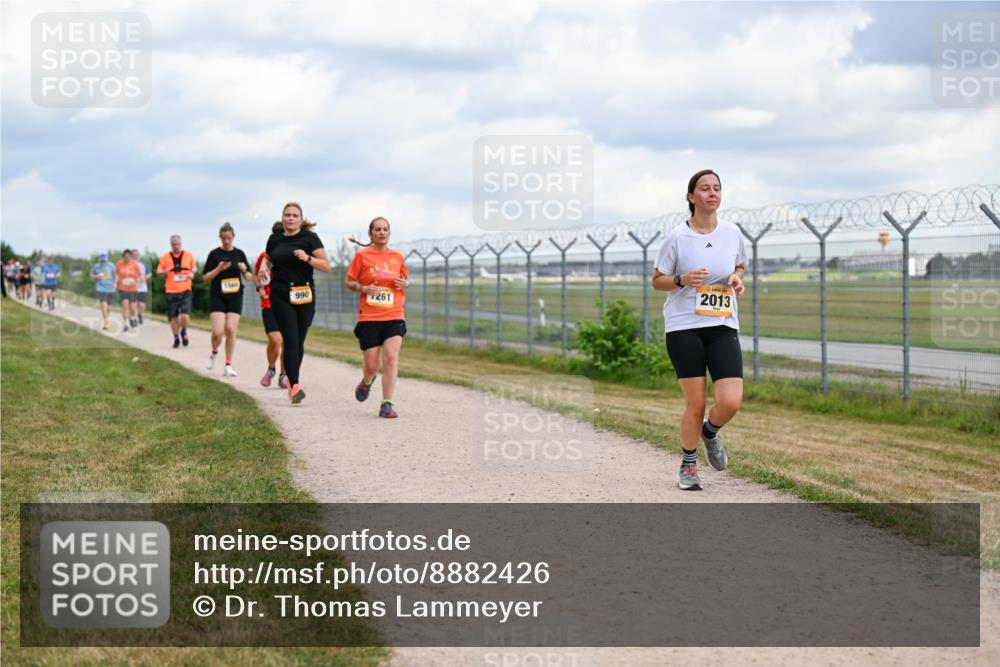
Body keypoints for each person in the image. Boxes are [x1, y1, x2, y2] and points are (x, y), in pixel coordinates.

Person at [652, 169, 747, 491]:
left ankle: (710, 432)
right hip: (684, 328)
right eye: (705, 189)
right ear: (691, 197)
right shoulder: (678, 237)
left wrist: (736, 278)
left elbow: (739, 265)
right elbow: (657, 280)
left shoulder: (732, 232)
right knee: (695, 402)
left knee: (731, 401)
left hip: (722, 325)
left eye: (717, 188)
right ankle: (689, 464)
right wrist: (681, 279)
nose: (712, 193)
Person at [257, 202, 330, 403]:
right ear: (283, 218)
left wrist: (307, 258)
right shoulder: (274, 239)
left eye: (294, 215)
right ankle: (295, 386)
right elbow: (268, 258)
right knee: (290, 338)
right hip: (280, 293)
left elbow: (325, 266)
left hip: (304, 293)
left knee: (299, 340)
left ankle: (292, 380)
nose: (290, 218)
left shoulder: (310, 238)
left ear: (301, 219)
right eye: (287, 215)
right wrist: (264, 266)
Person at [345, 217, 410, 418]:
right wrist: (363, 288)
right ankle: (366, 381)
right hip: (370, 317)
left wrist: (405, 283)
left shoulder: (397, 257)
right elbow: (349, 281)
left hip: (394, 314)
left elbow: (406, 279)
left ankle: (386, 403)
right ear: (371, 234)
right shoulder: (362, 256)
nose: (382, 232)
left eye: (385, 229)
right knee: (372, 366)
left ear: (389, 233)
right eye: (378, 229)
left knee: (391, 358)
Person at [203, 222, 252, 377]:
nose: (226, 241)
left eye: (229, 238)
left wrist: (245, 270)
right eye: (223, 238)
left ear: (233, 237)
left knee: (231, 329)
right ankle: (214, 352)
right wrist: (219, 268)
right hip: (218, 296)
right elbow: (205, 278)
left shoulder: (239, 254)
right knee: (218, 332)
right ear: (220, 238)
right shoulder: (214, 254)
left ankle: (228, 365)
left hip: (235, 296)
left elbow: (249, 277)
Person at [254, 250, 287, 389]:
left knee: (286, 341)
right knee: (275, 339)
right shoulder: (264, 255)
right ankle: (271, 369)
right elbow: (255, 275)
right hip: (269, 303)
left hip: (287, 303)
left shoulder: (290, 254)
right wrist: (260, 288)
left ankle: (283, 375)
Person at [156, 235, 197, 348]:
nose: (176, 247)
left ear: (181, 244)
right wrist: (164, 271)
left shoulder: (188, 255)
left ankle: (184, 331)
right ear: (171, 245)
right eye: (174, 245)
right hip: (171, 291)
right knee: (173, 317)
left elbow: (194, 268)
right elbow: (158, 271)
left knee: (184, 315)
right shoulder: (165, 257)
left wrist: (192, 274)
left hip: (186, 290)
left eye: (178, 244)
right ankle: (176, 338)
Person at [115, 250, 142, 331]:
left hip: (133, 288)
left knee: (133, 307)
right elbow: (116, 274)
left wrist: (135, 281)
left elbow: (139, 276)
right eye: (125, 257)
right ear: (123, 256)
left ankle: (134, 319)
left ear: (130, 256)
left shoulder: (135, 264)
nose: (127, 258)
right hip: (123, 287)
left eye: (128, 256)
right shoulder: (119, 263)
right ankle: (126, 324)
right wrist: (115, 282)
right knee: (125, 306)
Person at [90, 253, 116, 329]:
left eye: (104, 261)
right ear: (100, 260)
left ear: (107, 260)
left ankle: (106, 319)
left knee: (109, 307)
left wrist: (115, 283)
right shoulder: (96, 266)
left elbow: (116, 275)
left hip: (111, 288)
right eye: (101, 261)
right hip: (100, 288)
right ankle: (106, 321)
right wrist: (96, 276)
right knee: (103, 304)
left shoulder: (112, 265)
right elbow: (91, 274)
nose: (103, 262)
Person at [134, 250, 150, 324]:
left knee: (142, 305)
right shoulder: (129, 265)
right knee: (134, 304)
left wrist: (145, 278)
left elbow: (149, 273)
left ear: (139, 256)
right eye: (134, 254)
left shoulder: (143, 265)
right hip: (132, 288)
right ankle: (134, 318)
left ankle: (139, 315)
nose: (135, 256)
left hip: (142, 287)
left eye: (137, 254)